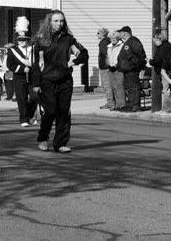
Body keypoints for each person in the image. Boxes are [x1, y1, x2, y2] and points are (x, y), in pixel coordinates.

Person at [31, 10, 88, 153]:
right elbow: (36, 63)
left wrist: (73, 62)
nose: (59, 23)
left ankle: (60, 143)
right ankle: (43, 138)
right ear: (49, 22)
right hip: (47, 81)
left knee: (64, 112)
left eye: (61, 21)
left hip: (65, 81)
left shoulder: (69, 39)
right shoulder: (41, 40)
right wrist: (36, 84)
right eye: (56, 21)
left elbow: (83, 53)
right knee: (50, 111)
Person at [7, 17, 38, 127]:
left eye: (24, 39)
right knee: (22, 99)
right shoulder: (12, 51)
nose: (22, 41)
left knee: (35, 97)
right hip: (19, 78)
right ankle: (23, 119)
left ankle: (29, 114)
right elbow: (10, 65)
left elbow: (37, 62)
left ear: (27, 39)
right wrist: (21, 69)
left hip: (32, 77)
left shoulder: (33, 49)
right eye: (20, 39)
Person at [117, 26, 146, 112]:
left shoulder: (133, 41)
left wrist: (135, 64)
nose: (119, 34)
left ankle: (135, 106)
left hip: (132, 69)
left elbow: (140, 55)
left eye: (120, 32)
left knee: (134, 87)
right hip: (127, 70)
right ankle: (130, 105)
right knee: (129, 88)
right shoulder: (128, 42)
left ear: (125, 33)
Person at [107, 31, 127, 111]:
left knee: (120, 87)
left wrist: (116, 65)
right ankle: (117, 105)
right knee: (113, 88)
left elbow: (122, 57)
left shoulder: (122, 45)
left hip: (119, 69)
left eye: (115, 38)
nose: (113, 39)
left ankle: (122, 105)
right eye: (111, 38)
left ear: (118, 38)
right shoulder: (109, 47)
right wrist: (108, 65)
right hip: (110, 69)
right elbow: (108, 57)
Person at [96, 28, 113, 110]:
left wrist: (107, 65)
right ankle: (111, 102)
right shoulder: (108, 41)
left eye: (98, 33)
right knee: (108, 85)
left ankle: (110, 103)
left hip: (105, 68)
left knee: (107, 86)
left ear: (103, 34)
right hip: (107, 67)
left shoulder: (103, 42)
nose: (97, 34)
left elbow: (106, 54)